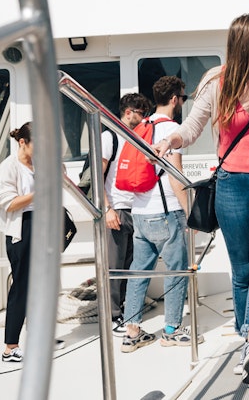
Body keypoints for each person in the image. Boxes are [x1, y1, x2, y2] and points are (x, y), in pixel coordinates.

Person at [153, 14, 249, 385]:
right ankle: (246, 342)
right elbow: (190, 130)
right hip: (232, 184)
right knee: (240, 270)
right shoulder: (217, 82)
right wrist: (168, 141)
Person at [0, 122, 75, 362]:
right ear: (22, 142)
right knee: (22, 287)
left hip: (43, 225)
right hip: (23, 228)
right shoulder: (9, 166)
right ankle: (10, 347)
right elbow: (6, 202)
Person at [122, 76, 191, 352]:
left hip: (139, 211)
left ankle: (132, 331)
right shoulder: (172, 129)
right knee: (176, 270)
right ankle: (172, 330)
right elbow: (176, 176)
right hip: (166, 211)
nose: (183, 102)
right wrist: (191, 212)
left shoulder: (142, 125)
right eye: (183, 98)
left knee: (139, 272)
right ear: (175, 98)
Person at [102, 92, 150, 335]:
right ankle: (111, 315)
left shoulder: (137, 138)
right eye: (141, 114)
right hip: (117, 209)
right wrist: (108, 209)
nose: (144, 119)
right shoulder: (110, 136)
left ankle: (123, 308)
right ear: (128, 112)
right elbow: (98, 176)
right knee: (114, 265)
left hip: (137, 208)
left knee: (131, 264)